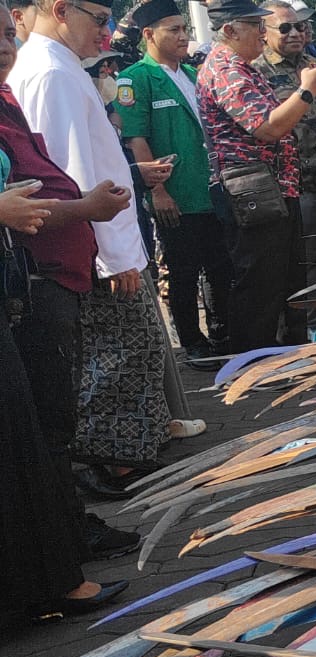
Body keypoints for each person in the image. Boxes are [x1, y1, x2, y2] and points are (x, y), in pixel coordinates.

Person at [10, 0, 186, 489]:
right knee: (120, 356)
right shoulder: (51, 73)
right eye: (100, 19)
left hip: (102, 237)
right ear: (61, 10)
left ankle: (130, 454)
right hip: (94, 244)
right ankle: (115, 462)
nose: (108, 34)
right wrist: (110, 256)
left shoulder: (63, 67)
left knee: (135, 352)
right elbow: (69, 176)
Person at [0, 14, 141, 559]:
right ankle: (62, 540)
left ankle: (66, 531)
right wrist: (88, 210)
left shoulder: (10, 95)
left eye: (8, 35)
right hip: (35, 284)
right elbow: (24, 203)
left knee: (54, 415)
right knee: (47, 421)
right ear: (61, 9)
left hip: (56, 275)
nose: (6, 47)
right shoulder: (48, 76)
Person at [198, 0, 316, 352]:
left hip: (273, 187)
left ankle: (284, 354)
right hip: (252, 191)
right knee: (260, 281)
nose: (261, 32)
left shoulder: (244, 67)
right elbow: (267, 128)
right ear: (228, 30)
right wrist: (308, 90)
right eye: (254, 25)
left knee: (283, 276)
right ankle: (254, 362)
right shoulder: (226, 70)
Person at [117, 0, 236, 365]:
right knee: (183, 270)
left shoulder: (191, 73)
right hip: (175, 193)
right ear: (149, 35)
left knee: (219, 267)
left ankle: (221, 335)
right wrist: (157, 190)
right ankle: (191, 341)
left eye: (185, 28)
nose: (183, 36)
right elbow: (136, 138)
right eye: (174, 30)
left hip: (209, 189)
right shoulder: (136, 78)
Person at [255, 0, 316, 340]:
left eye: (300, 27)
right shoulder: (258, 71)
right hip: (295, 182)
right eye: (285, 28)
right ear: (264, 33)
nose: (296, 33)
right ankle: (305, 324)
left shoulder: (315, 65)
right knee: (303, 258)